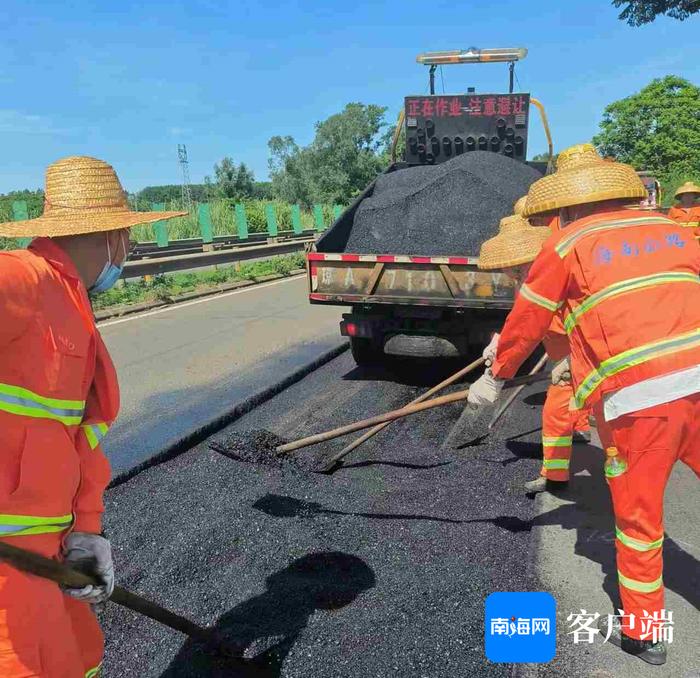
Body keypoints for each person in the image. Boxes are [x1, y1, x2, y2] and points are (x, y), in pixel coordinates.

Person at [468, 144, 700, 665]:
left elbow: (529, 316)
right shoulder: (672, 228)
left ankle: (643, 634)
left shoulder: (568, 244)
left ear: (565, 208)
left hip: (642, 401)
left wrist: (496, 375)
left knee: (639, 521)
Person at [0, 156, 184, 677]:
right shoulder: (25, 278)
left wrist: (86, 531)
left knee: (80, 658)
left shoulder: (69, 303)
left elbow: (76, 441)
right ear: (115, 237)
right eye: (128, 238)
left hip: (48, 551)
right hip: (9, 574)